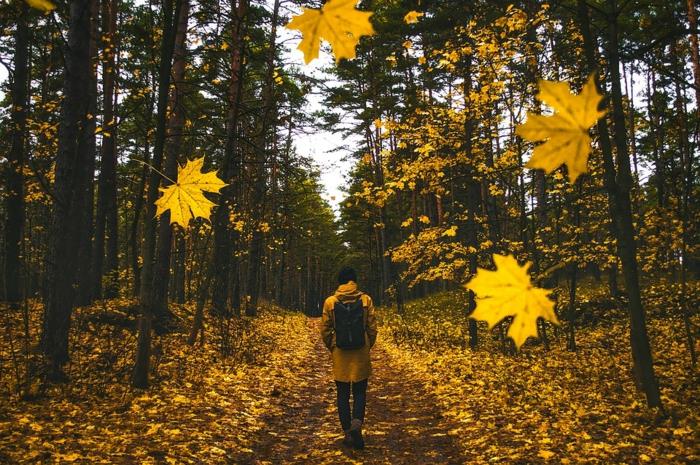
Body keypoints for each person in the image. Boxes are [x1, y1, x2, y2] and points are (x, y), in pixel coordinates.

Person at [320, 267, 377, 450]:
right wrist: (368, 344)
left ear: (340, 281)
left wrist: (332, 346)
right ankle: (357, 424)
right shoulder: (366, 300)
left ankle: (347, 432)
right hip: (361, 351)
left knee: (342, 393)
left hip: (340, 352)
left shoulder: (330, 301)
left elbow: (325, 329)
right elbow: (372, 327)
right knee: (360, 391)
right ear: (354, 280)